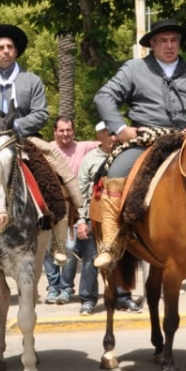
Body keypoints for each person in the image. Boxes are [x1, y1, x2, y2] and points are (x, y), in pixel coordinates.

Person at [91, 18, 186, 269]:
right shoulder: (134, 69)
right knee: (116, 172)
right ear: (152, 45)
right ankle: (110, 241)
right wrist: (121, 129)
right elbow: (104, 96)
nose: (169, 45)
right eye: (163, 41)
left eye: (174, 40)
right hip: (146, 140)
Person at [0, 23, 77, 265]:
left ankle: (59, 237)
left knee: (56, 173)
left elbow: (41, 114)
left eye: (10, 47)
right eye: (0, 48)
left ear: (16, 51)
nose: (6, 51)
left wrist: (13, 127)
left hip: (22, 138)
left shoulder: (31, 80)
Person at [43, 116, 100, 305]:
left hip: (76, 207)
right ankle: (53, 287)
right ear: (54, 132)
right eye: (61, 130)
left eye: (68, 130)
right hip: (52, 206)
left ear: (73, 131)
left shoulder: (83, 147)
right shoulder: (47, 149)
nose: (65, 134)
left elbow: (106, 142)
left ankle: (66, 288)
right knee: (50, 248)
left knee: (68, 246)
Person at [75, 122, 115, 315]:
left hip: (117, 217)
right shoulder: (89, 160)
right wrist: (81, 220)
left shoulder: (123, 155)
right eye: (107, 134)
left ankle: (122, 297)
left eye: (114, 134)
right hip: (94, 215)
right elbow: (81, 192)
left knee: (120, 258)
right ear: (99, 136)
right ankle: (88, 299)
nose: (112, 138)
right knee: (91, 259)